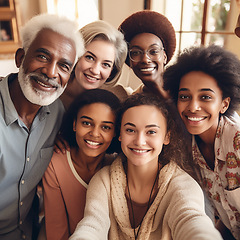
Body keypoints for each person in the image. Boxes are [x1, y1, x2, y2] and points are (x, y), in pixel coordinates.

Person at [69, 93, 222, 240]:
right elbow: (92, 225)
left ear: (166, 136)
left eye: (151, 132)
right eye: (130, 130)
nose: (140, 141)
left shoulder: (183, 186)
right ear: (120, 134)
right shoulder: (103, 180)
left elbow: (192, 221)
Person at [0, 13, 84, 240]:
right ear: (20, 58)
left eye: (64, 66)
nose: (50, 72)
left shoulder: (57, 113)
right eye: (43, 56)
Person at [163, 44, 240, 240]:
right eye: (184, 96)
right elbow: (225, 209)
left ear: (224, 103)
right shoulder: (189, 148)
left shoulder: (237, 139)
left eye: (205, 97)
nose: (193, 106)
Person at [42, 89, 121, 240]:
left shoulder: (117, 167)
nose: (95, 133)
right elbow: (56, 229)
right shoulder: (56, 164)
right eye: (86, 123)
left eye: (106, 127)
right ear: (74, 124)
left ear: (115, 132)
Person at [60, 20, 129, 109]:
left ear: (112, 71)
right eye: (90, 58)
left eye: (106, 64)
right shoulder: (52, 89)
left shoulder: (118, 98)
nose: (95, 70)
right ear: (76, 56)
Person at [118, 10, 176, 98]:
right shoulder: (133, 102)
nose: (145, 59)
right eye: (136, 52)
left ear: (164, 57)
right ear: (129, 60)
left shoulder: (183, 90)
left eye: (154, 51)